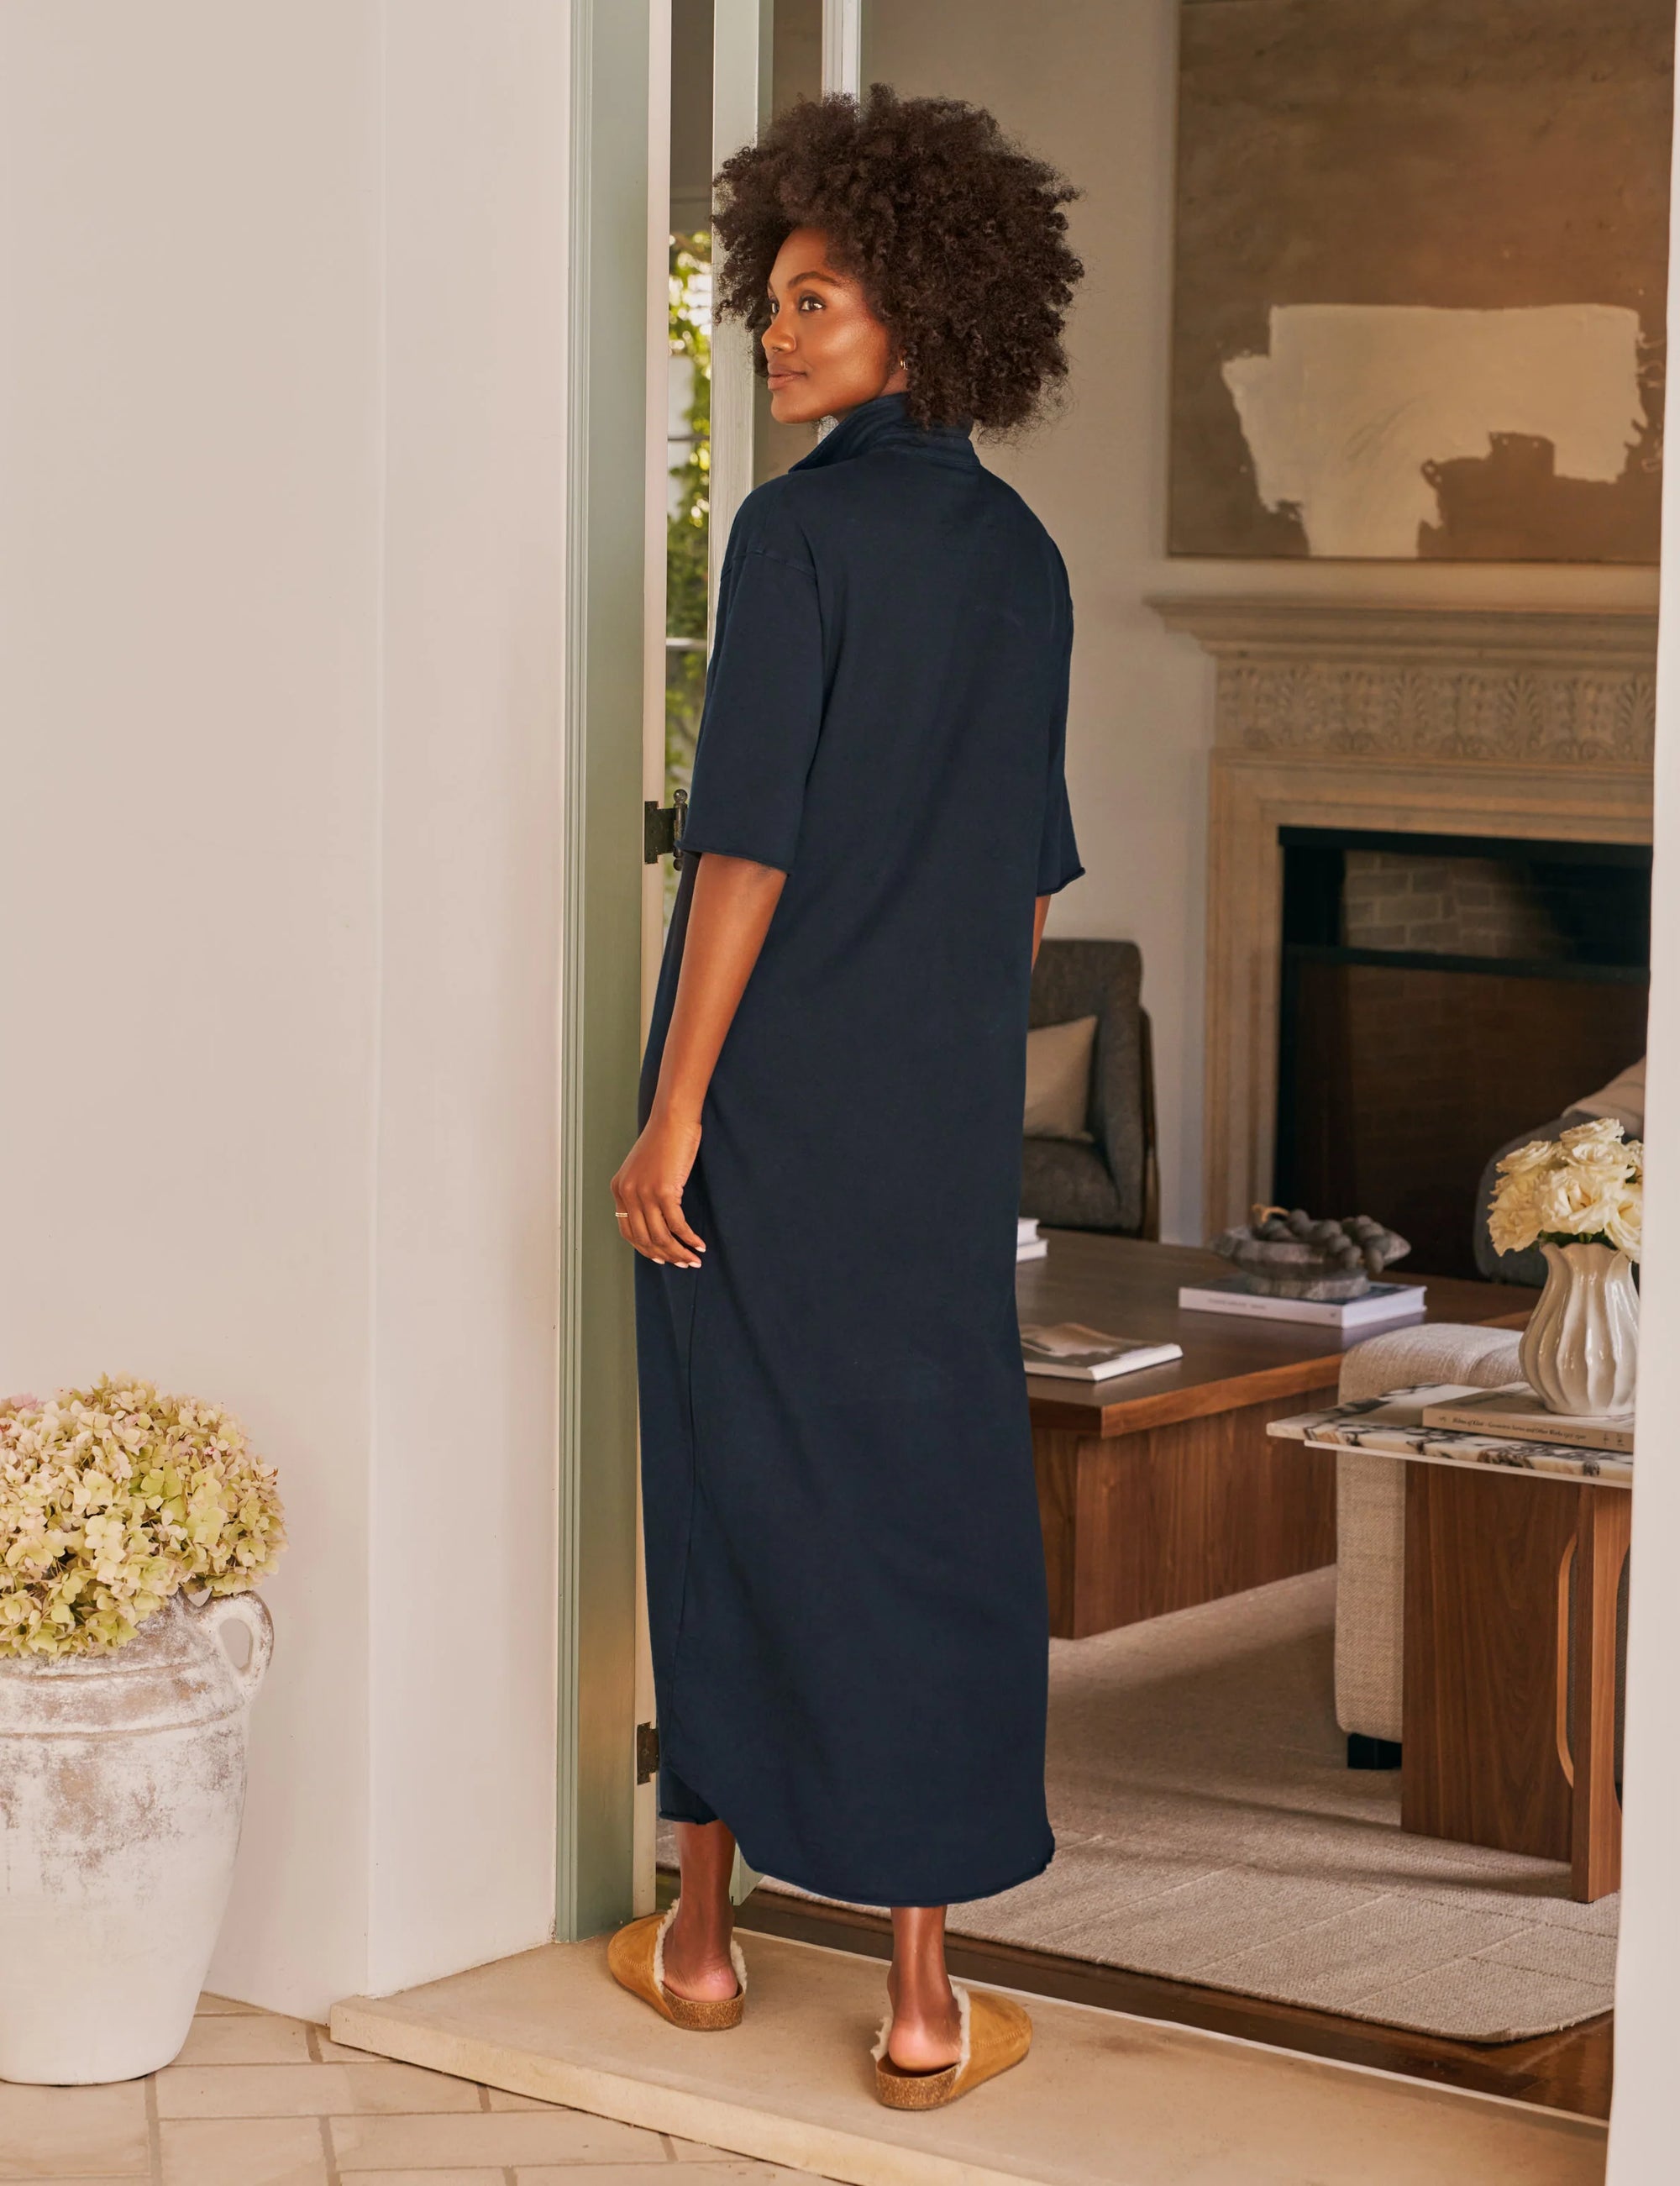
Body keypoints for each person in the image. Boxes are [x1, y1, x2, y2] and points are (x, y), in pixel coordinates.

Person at [607, 86, 1084, 2110]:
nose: (775, 334)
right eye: (771, 298)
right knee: (934, 1501)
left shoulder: (793, 532)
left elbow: (744, 851)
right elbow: (1024, 874)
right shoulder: (1025, 557)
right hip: (932, 1107)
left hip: (764, 1088)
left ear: (925, 312)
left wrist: (674, 1109)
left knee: (728, 1479)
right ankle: (916, 2001)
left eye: (817, 301)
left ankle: (705, 1944)